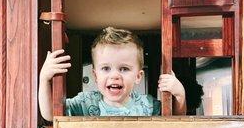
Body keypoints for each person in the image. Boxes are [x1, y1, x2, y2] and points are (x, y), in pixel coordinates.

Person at [39, 27, 186, 120]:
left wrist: (180, 94)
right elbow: (51, 115)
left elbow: (174, 121)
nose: (115, 75)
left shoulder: (147, 105)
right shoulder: (86, 102)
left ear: (138, 76)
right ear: (95, 76)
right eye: (106, 68)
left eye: (124, 69)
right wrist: (44, 79)